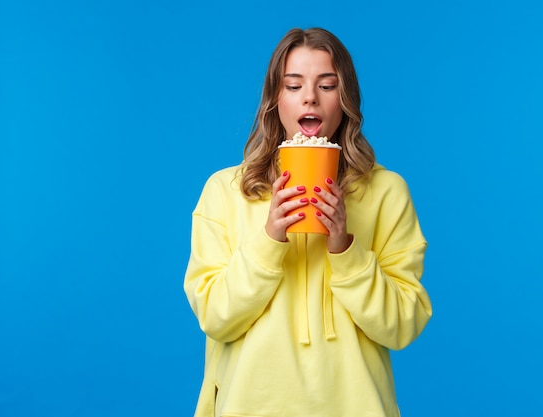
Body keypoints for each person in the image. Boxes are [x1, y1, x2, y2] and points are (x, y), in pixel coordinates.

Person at [184, 27, 432, 417]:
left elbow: (402, 325)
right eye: (293, 85)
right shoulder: (225, 190)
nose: (310, 97)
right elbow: (216, 318)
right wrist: (269, 239)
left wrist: (344, 249)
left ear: (345, 99)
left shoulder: (386, 192)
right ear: (275, 99)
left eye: (327, 85)